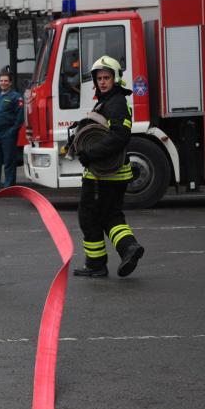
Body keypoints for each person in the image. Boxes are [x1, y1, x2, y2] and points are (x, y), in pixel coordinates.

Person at [73, 56, 144, 278]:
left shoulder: (116, 103)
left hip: (104, 176)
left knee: (88, 217)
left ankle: (96, 265)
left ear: (116, 79)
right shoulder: (107, 101)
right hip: (110, 175)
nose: (102, 82)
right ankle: (129, 248)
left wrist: (90, 154)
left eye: (107, 77)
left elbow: (119, 136)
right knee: (110, 215)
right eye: (99, 78)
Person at [0, 67, 24, 193]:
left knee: (9, 162)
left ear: (10, 83)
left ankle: (8, 189)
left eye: (5, 81)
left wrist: (11, 132)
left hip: (7, 134)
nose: (3, 83)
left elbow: (20, 118)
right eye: (1, 81)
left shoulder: (16, 97)